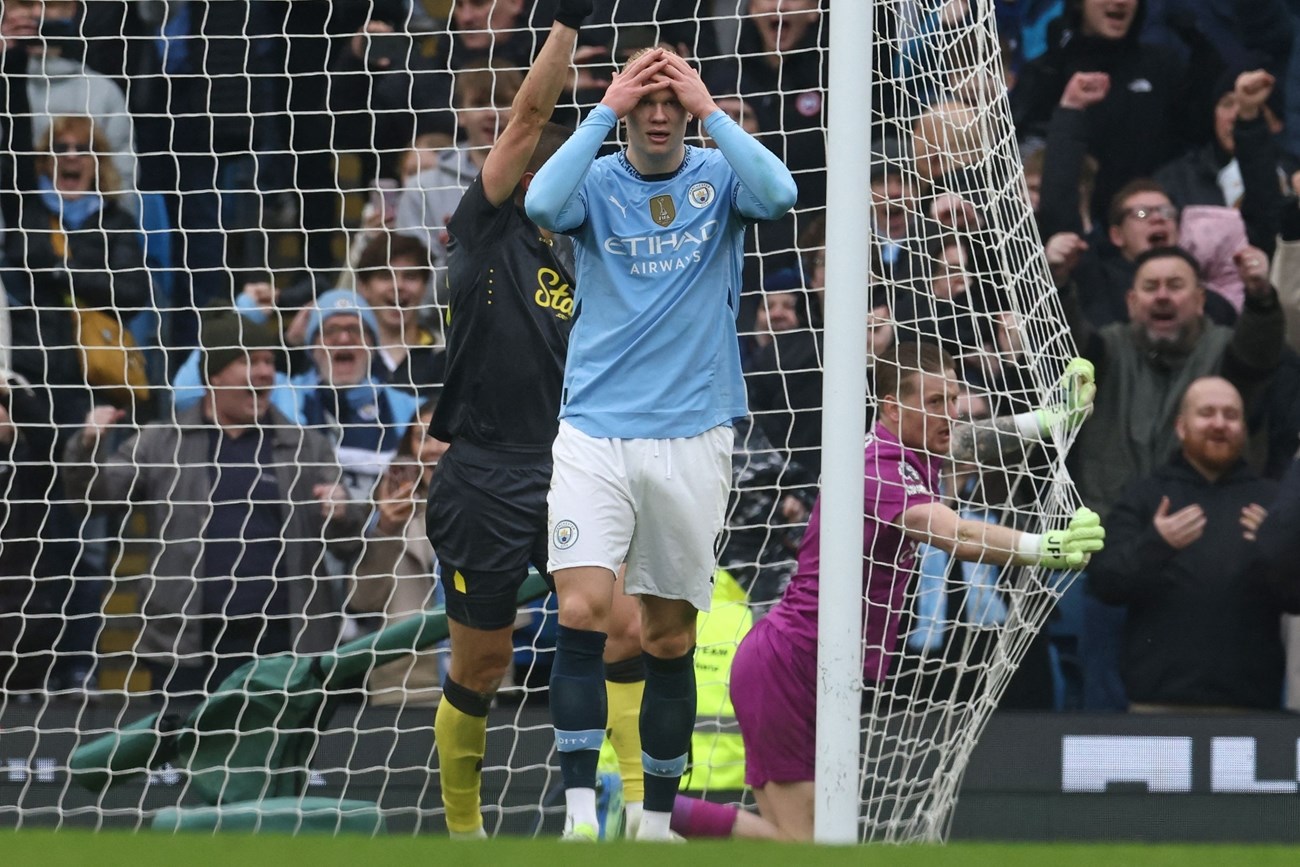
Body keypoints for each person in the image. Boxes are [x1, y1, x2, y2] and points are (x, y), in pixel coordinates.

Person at [524, 46, 798, 841]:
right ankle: (580, 814)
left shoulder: (720, 180)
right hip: (594, 430)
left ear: (685, 115)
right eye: (645, 103)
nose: (656, 113)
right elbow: (541, 204)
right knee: (581, 607)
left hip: (693, 434)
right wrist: (605, 105)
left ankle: (653, 822)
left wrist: (708, 104)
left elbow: (780, 193)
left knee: (667, 633)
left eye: (667, 104)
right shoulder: (598, 183)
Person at [670, 343, 1104, 840]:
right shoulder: (879, 470)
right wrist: (1043, 545)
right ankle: (654, 814)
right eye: (937, 401)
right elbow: (954, 534)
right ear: (894, 408)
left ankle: (657, 814)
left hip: (817, 667)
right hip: (789, 667)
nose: (951, 413)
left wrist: (1045, 421)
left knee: (809, 839)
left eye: (955, 398)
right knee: (806, 845)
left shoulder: (910, 449)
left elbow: (970, 440)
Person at [422, 2, 613, 841]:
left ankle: (627, 814)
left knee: (619, 628)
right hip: (484, 471)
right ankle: (465, 836)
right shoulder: (485, 225)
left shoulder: (589, 255)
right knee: (483, 664)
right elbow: (529, 114)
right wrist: (567, 25)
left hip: (572, 465)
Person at [60, 313, 366, 695]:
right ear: (215, 376)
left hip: (285, 643)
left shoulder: (308, 446)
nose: (265, 373)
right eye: (249, 362)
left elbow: (348, 543)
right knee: (185, 754)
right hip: (187, 646)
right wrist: (87, 445)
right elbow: (93, 499)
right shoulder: (162, 441)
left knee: (281, 755)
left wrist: (341, 513)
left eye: (269, 362)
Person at [1063, 244, 1284, 709]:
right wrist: (1061, 283)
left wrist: (1261, 295)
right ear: (1131, 300)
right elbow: (1064, 345)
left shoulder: (1226, 349)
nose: (1163, 296)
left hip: (1206, 563)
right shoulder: (1105, 348)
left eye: (1176, 286)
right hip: (1110, 551)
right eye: (1151, 287)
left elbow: (1260, 351)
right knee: (1102, 708)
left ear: (1201, 299)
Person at [1088, 377, 1289, 711]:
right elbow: (1105, 584)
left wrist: (1275, 550)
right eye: (1207, 413)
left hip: (1252, 711)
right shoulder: (1145, 495)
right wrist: (1157, 543)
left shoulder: (1272, 501)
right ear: (1181, 427)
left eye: (1231, 415)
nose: (1220, 424)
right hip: (1156, 707)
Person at [349, 401, 447, 707]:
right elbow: (361, 600)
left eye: (445, 436)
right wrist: (386, 529)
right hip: (403, 683)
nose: (433, 448)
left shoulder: (492, 503)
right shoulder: (385, 506)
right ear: (409, 450)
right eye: (423, 438)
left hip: (480, 676)